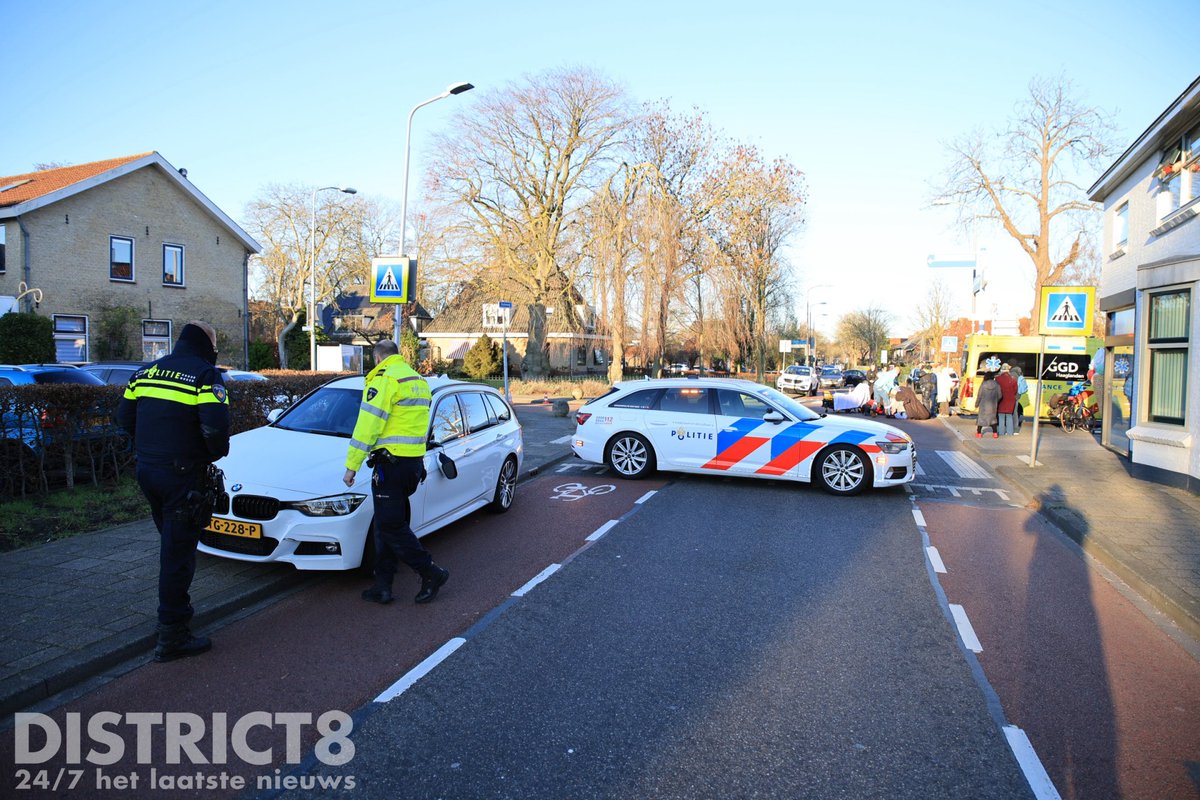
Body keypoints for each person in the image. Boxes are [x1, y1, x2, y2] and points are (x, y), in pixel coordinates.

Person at [117, 321, 229, 662]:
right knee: (177, 556)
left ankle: (172, 619)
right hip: (182, 477)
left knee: (171, 543)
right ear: (207, 344)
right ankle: (172, 634)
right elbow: (216, 432)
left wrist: (151, 451)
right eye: (216, 344)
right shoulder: (205, 376)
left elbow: (124, 421)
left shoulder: (143, 373)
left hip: (148, 472)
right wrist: (206, 456)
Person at [344, 339, 449, 605]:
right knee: (384, 525)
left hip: (390, 466)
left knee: (391, 526)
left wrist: (351, 466)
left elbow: (368, 425)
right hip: (412, 465)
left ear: (378, 358)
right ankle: (383, 585)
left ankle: (430, 572)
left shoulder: (385, 379)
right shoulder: (417, 381)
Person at [975, 372, 1002, 438]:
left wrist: (977, 404)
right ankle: (995, 433)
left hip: (984, 405)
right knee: (993, 419)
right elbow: (1000, 395)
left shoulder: (983, 385)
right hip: (993, 405)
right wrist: (996, 401)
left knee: (981, 419)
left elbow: (979, 396)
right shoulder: (997, 385)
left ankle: (979, 433)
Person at [996, 363, 1018, 436]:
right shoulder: (1013, 380)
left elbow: (997, 390)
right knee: (1009, 416)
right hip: (1011, 400)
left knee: (1001, 416)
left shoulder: (998, 379)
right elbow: (1015, 391)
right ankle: (1010, 432)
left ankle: (1001, 432)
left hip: (1001, 399)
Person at [1011, 366, 1029, 434]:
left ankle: (1009, 429)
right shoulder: (1020, 376)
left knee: (1009, 413)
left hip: (1010, 396)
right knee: (1015, 413)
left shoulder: (1010, 375)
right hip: (1017, 396)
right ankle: (1015, 430)